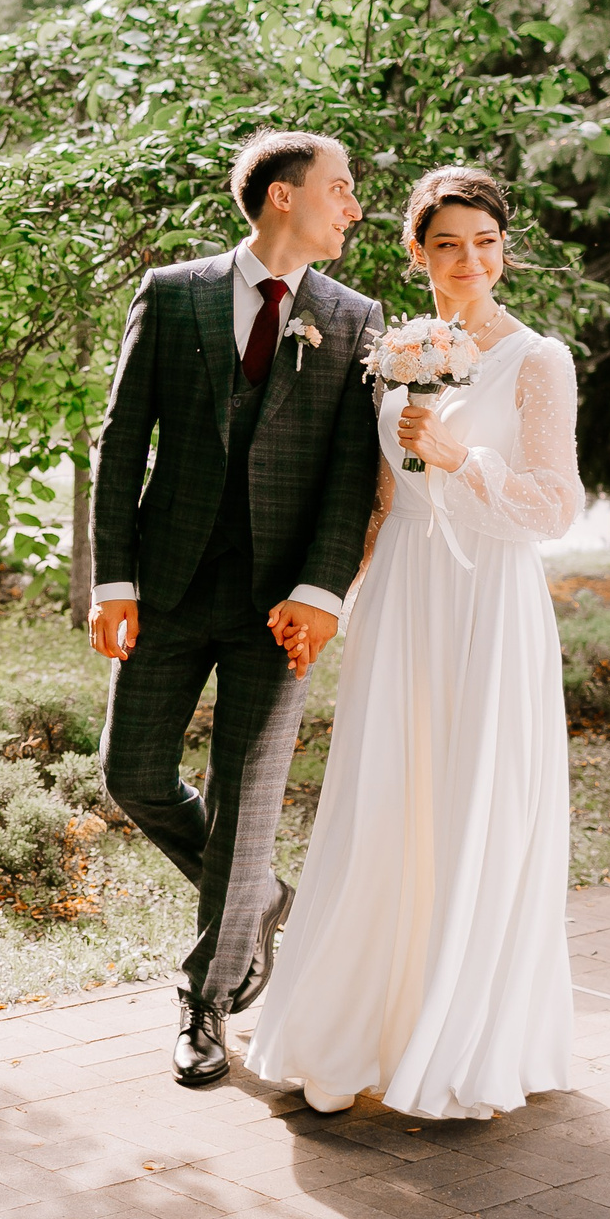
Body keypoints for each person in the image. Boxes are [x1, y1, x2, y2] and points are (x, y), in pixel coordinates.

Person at [245, 165, 585, 1120]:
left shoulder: (538, 360)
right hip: (402, 593)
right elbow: (378, 496)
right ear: (416, 252)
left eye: (485, 242)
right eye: (448, 244)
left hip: (489, 600)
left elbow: (555, 507)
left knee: (473, 803)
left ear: (504, 249)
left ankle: (462, 1041)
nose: (469, 260)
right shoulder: (390, 350)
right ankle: (357, 1033)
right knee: (386, 799)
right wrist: (328, 598)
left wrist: (461, 458)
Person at [89, 129, 386, 1088]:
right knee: (130, 771)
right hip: (169, 584)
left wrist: (322, 590)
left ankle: (206, 1001)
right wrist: (113, 579)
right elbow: (121, 439)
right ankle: (256, 893)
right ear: (283, 196)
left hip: (281, 604)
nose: (353, 207)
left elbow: (351, 474)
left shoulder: (354, 317)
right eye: (340, 188)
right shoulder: (172, 293)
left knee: (247, 793)